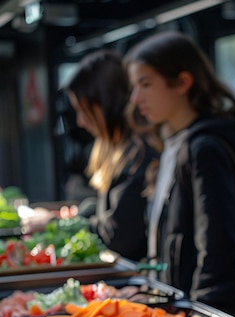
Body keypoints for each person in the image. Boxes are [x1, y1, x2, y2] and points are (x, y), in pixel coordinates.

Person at [124, 31, 235, 317]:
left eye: (146, 84)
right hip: (182, 310)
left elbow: (217, 247)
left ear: (183, 82)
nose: (136, 98)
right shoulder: (175, 142)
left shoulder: (205, 148)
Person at [24, 49, 160, 262]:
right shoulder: (120, 150)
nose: (80, 121)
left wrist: (55, 224)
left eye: (84, 110)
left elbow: (118, 235)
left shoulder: (139, 154)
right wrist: (81, 213)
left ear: (106, 104)